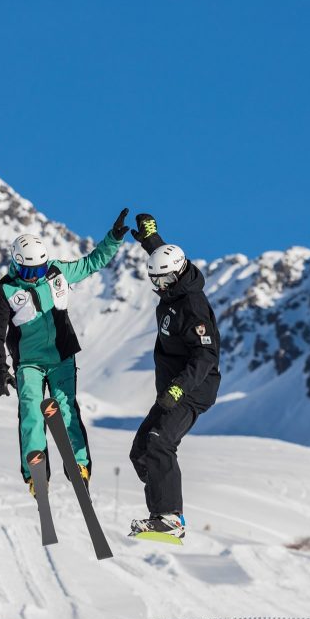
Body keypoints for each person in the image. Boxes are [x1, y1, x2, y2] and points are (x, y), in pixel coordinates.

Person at [0, 209, 130, 494]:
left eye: (38, 271)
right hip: (29, 363)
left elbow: (92, 263)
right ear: (16, 265)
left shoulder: (55, 273)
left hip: (62, 357)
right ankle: (35, 471)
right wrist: (0, 371)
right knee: (31, 413)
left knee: (66, 410)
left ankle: (79, 465)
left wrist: (113, 239)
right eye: (28, 272)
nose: (34, 277)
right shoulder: (4, 290)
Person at [128, 214, 221, 540]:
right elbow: (168, 259)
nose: (161, 288)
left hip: (192, 388)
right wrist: (152, 240)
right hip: (172, 389)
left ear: (178, 276)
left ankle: (170, 518)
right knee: (141, 452)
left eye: (165, 282)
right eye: (156, 282)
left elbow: (206, 355)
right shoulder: (174, 291)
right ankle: (160, 514)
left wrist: (179, 389)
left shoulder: (193, 306)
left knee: (159, 442)